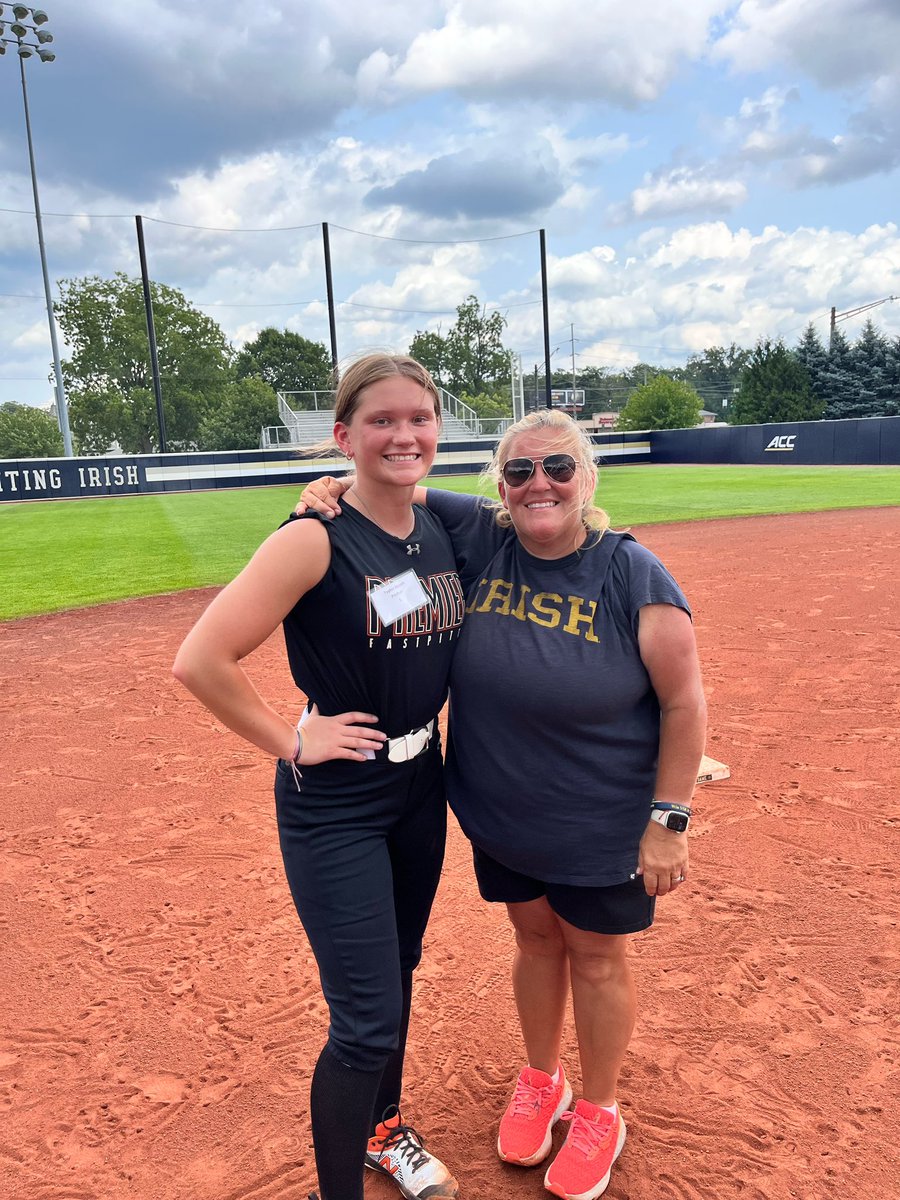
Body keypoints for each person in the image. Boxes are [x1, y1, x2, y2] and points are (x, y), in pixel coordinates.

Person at [298, 407, 707, 1200]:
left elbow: (685, 703)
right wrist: (326, 490)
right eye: (518, 471)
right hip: (502, 812)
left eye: (558, 467)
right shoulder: (483, 539)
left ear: (587, 478)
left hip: (599, 818)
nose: (538, 484)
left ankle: (597, 1109)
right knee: (535, 940)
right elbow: (387, 486)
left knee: (593, 953)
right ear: (500, 485)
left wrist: (669, 818)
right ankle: (541, 1078)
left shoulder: (631, 572)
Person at [173, 354, 464, 1200]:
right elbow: (201, 660)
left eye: (420, 417)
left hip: (421, 788)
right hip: (338, 802)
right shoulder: (311, 538)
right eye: (381, 421)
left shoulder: (439, 526)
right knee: (365, 1022)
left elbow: (526, 518)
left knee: (400, 970)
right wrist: (290, 742)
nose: (404, 433)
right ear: (343, 436)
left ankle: (383, 1130)